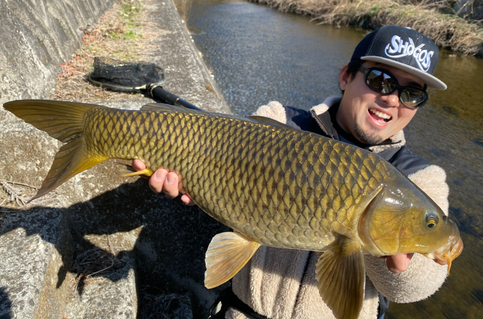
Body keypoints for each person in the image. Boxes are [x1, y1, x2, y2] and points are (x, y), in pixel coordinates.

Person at [133, 25, 451, 319]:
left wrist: (395, 254)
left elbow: (416, 288)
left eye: (412, 94)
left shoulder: (421, 178)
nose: (391, 98)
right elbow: (219, 171)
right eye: (380, 79)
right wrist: (194, 182)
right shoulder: (280, 120)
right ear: (345, 77)